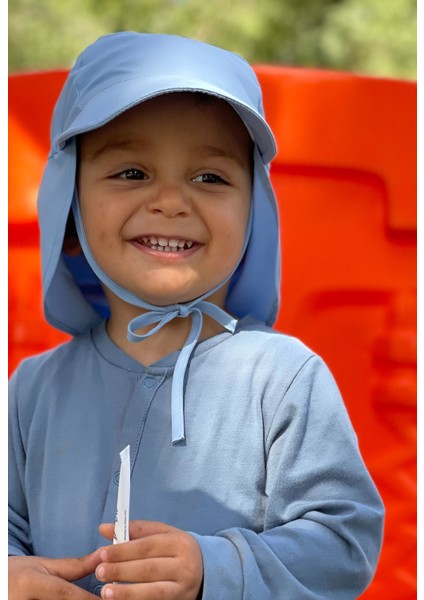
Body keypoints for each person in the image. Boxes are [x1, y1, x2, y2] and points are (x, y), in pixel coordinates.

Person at [8, 31, 384, 600]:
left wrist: (216, 567)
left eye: (210, 177)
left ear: (255, 213)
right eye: (131, 172)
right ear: (69, 211)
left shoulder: (283, 377)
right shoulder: (31, 390)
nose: (171, 201)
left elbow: (345, 542)